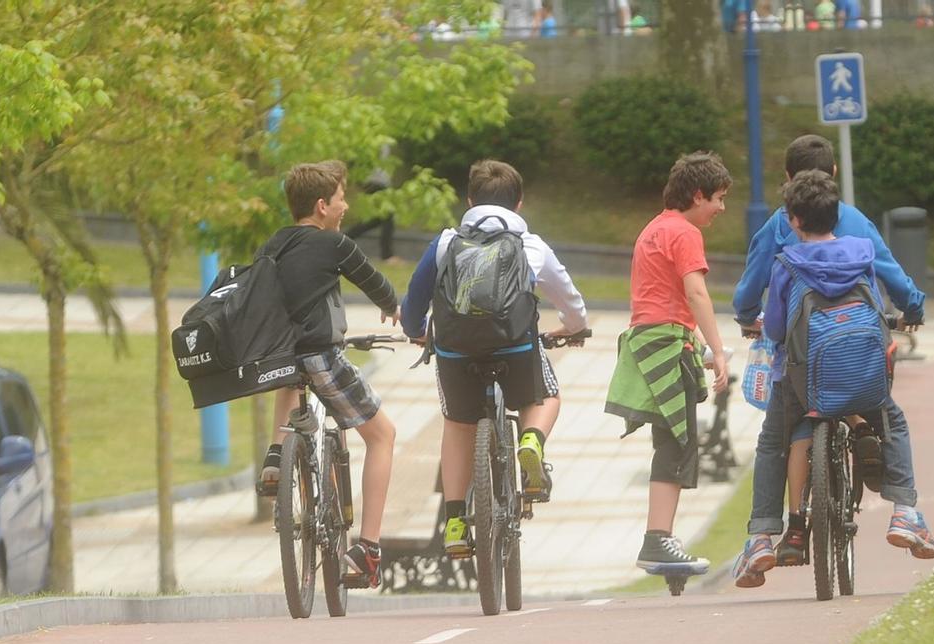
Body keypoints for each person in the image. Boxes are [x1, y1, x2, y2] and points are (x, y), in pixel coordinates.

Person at [730, 135, 934, 588]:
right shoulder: (860, 233)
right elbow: (893, 279)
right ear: (835, 179)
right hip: (862, 365)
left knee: (774, 439)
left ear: (790, 192)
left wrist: (752, 318)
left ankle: (763, 536)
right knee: (893, 417)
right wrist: (914, 311)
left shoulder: (781, 241)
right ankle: (904, 510)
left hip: (802, 373)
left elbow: (760, 307)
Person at [400, 159, 588, 556]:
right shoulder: (531, 245)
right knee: (547, 396)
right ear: (519, 204)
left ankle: (454, 521)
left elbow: (414, 302)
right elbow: (571, 303)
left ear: (469, 200)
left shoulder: (446, 243)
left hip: (456, 352)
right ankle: (532, 442)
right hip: (516, 347)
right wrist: (572, 328)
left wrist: (418, 332)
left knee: (457, 422)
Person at [255, 160, 402, 587]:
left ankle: (277, 455)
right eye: (340, 199)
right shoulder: (333, 245)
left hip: (277, 358)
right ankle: (368, 550)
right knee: (382, 435)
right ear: (322, 206)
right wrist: (396, 308)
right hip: (321, 355)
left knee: (291, 374)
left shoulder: (272, 245)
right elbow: (375, 282)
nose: (346, 205)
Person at [605, 151, 731, 570]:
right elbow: (696, 294)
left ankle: (660, 538)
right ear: (698, 195)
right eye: (718, 198)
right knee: (677, 444)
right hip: (667, 345)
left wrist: (702, 349)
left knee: (671, 442)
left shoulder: (654, 229)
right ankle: (657, 539)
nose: (721, 208)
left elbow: (664, 300)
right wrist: (718, 349)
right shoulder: (684, 233)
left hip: (649, 341)